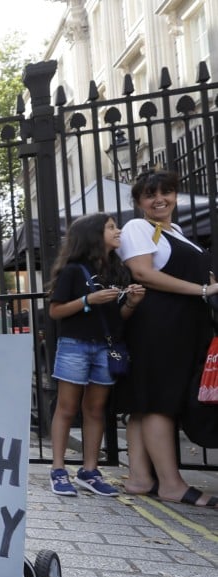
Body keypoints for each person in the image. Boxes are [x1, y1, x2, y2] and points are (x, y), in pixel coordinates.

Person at [117, 169, 218, 509]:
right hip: (159, 323)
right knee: (159, 400)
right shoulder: (138, 228)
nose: (159, 198)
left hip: (181, 324)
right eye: (150, 194)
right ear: (139, 201)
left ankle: (140, 478)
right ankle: (171, 484)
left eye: (167, 191)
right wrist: (203, 289)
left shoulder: (175, 231)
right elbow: (144, 273)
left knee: (145, 402)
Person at [46, 213, 144, 497]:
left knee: (96, 409)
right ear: (93, 235)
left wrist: (133, 303)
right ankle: (58, 469)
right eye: (111, 227)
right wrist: (88, 299)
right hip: (75, 345)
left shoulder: (117, 269)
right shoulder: (73, 271)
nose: (118, 231)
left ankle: (90, 470)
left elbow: (118, 317)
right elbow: (55, 311)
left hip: (106, 346)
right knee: (66, 407)